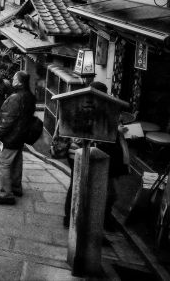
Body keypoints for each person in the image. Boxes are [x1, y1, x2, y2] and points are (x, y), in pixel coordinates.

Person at [62, 81, 129, 230]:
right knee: (84, 187)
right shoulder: (93, 109)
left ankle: (73, 218)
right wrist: (115, 130)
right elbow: (83, 135)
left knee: (77, 185)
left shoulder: (84, 105)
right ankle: (78, 220)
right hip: (84, 153)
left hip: (78, 153)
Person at [0, 71, 36, 205]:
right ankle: (16, 187)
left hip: (11, 137)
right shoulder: (30, 96)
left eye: (15, 78)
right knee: (16, 161)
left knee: (2, 162)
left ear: (19, 82)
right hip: (21, 136)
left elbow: (7, 119)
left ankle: (7, 194)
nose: (13, 80)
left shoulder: (16, 97)